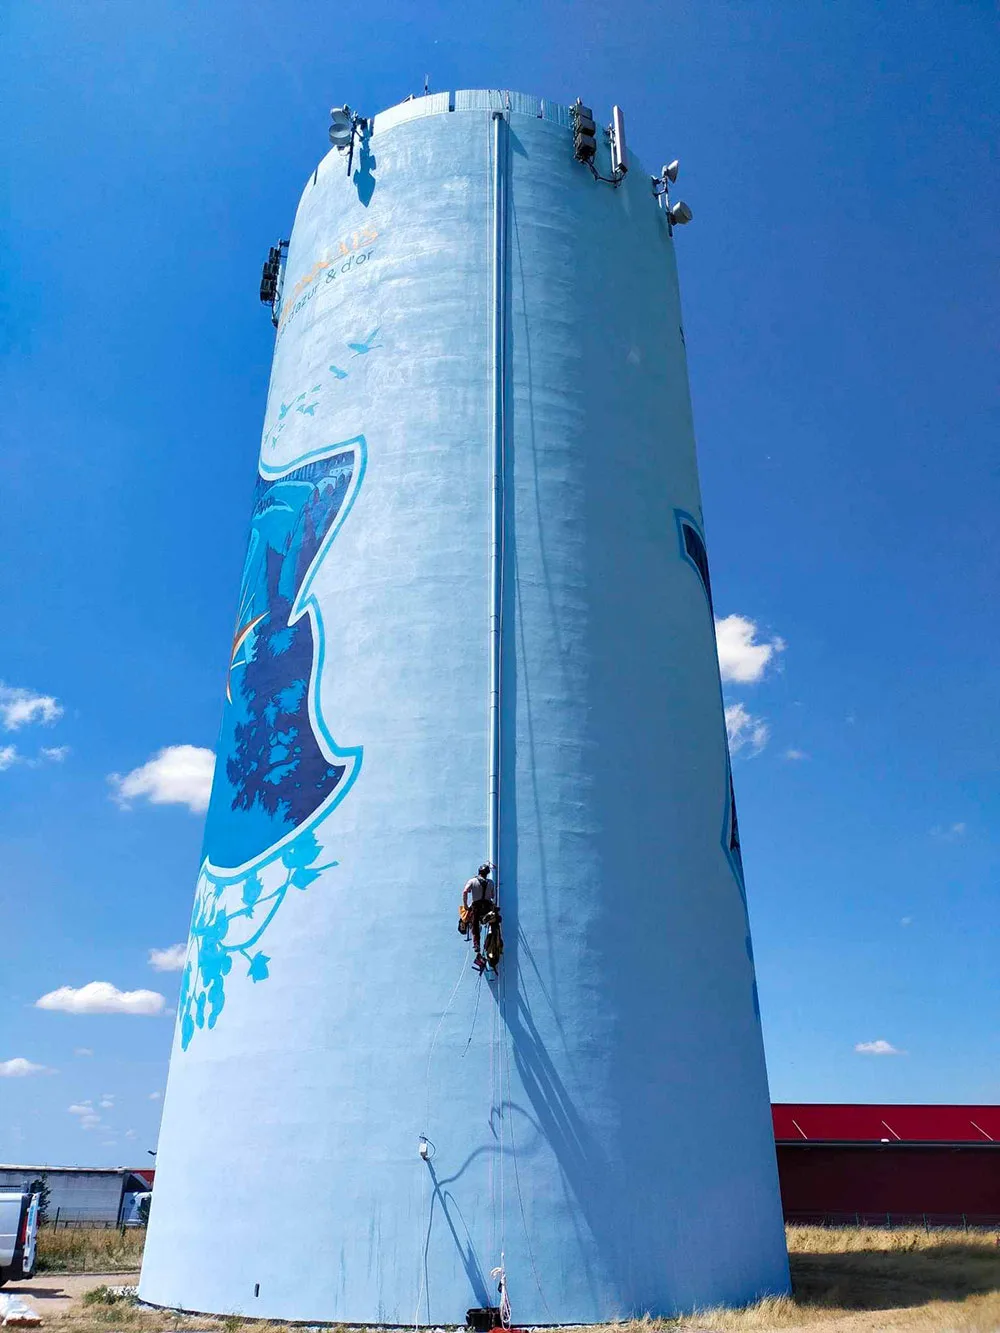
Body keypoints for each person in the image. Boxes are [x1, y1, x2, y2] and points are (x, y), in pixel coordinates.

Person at [462, 863, 495, 972]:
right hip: (487, 908)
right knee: (493, 925)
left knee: (475, 926)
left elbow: (465, 891)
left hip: (476, 907)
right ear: (487, 873)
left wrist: (465, 905)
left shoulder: (472, 881)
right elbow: (493, 896)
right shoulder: (491, 882)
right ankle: (490, 945)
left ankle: (477, 945)